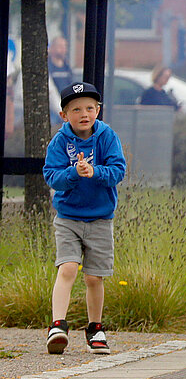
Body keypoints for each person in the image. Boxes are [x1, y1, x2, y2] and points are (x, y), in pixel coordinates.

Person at [43, 81, 126, 356]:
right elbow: (51, 176)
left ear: (98, 110)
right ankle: (58, 326)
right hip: (68, 217)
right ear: (64, 115)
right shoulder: (60, 141)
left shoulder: (107, 137)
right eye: (76, 109)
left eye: (90, 108)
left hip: (101, 218)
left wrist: (95, 172)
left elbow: (118, 170)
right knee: (67, 268)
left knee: (94, 277)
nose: (84, 114)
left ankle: (95, 328)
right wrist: (74, 173)